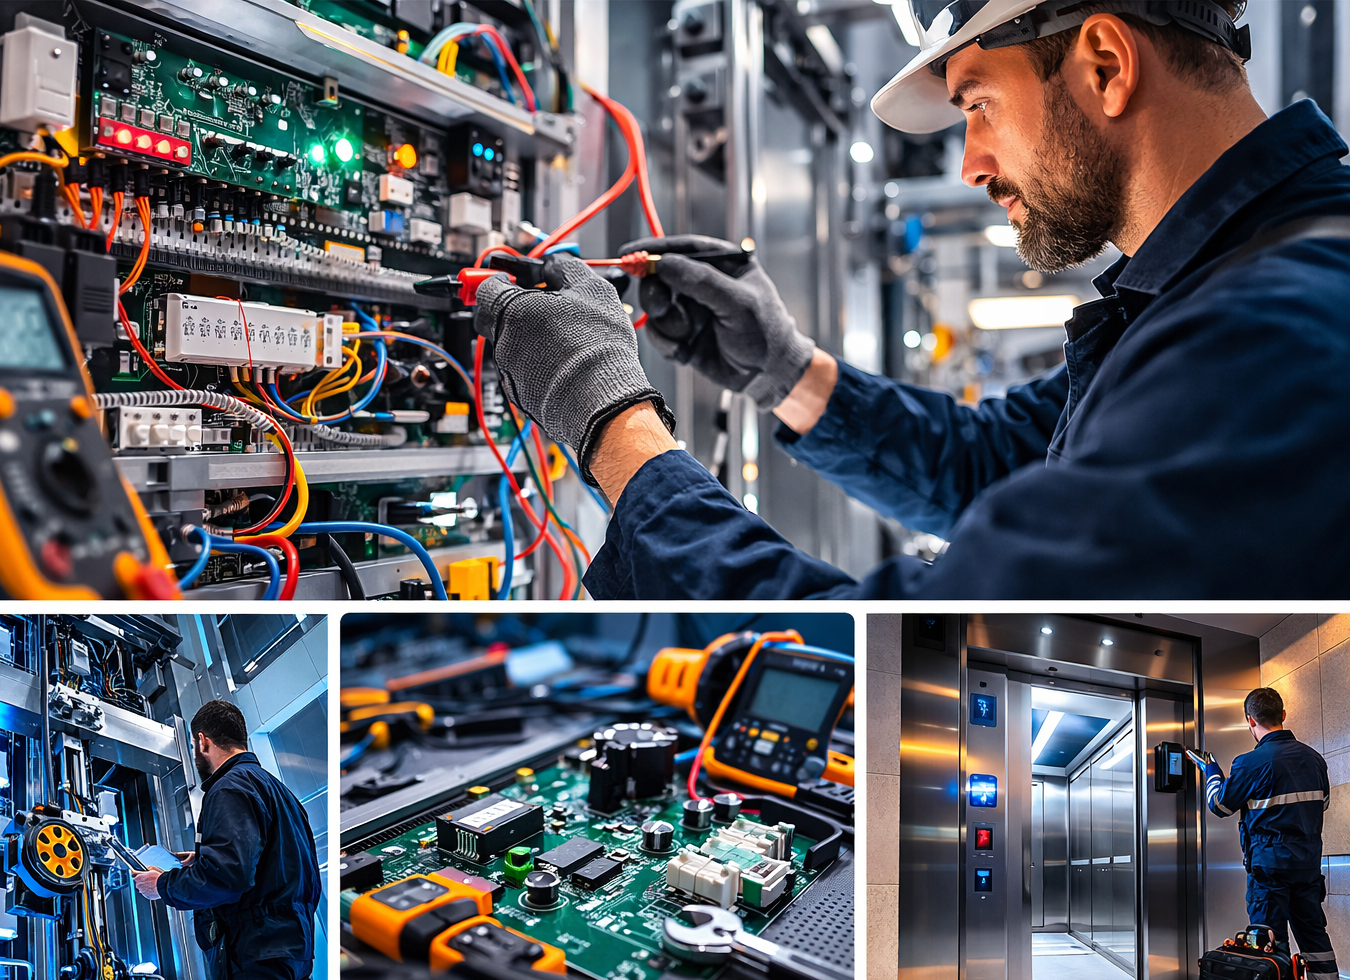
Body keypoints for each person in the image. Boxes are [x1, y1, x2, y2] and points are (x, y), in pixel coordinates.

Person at [473, 0, 1350, 598]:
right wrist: (786, 370)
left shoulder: (1271, 339)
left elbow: (873, 647)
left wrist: (609, 418)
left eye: (978, 105)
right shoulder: (1215, 292)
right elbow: (997, 465)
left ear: (1107, 64)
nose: (970, 164)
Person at [132, 700, 321, 980]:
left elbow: (227, 877)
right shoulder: (278, 791)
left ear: (202, 741)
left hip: (257, 953)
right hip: (293, 947)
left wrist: (162, 885)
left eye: (194, 745)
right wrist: (202, 858)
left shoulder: (228, 788)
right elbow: (284, 865)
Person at [1204, 688, 1339, 980]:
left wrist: (1211, 774)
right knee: (1315, 940)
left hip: (1268, 868)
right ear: (1283, 715)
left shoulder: (1249, 763)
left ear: (1251, 721)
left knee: (1269, 943)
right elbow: (1321, 805)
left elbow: (1219, 805)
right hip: (1307, 866)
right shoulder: (1314, 759)